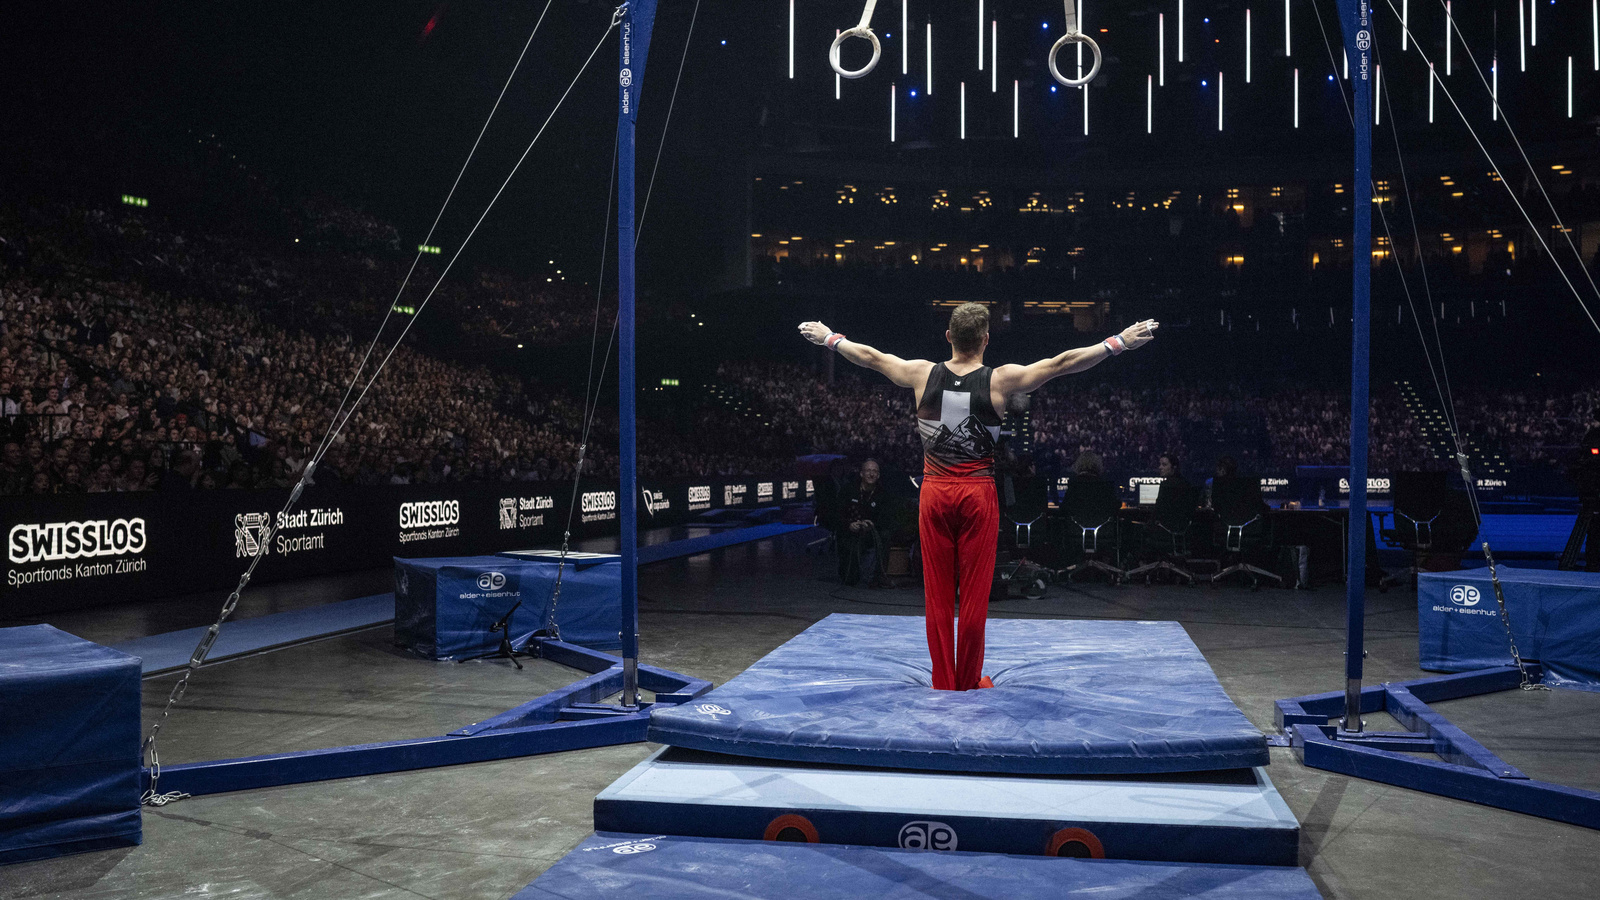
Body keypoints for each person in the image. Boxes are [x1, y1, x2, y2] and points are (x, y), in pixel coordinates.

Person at [800, 304, 1159, 690]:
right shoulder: (1000, 380)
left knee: (937, 593)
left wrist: (829, 338)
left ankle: (943, 680)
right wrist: (1118, 342)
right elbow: (1062, 363)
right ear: (986, 339)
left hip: (935, 491)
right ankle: (968, 680)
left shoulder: (922, 373)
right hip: (976, 493)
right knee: (973, 592)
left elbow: (870, 357)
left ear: (949, 336)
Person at [837, 458, 888, 587]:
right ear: (861, 473)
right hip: (849, 532)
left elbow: (886, 517)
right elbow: (837, 514)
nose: (871, 474)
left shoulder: (883, 494)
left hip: (870, 533)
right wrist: (849, 524)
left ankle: (876, 576)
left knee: (884, 536)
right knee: (850, 579)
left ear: (878, 475)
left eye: (875, 471)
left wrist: (872, 524)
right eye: (868, 470)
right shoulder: (848, 490)